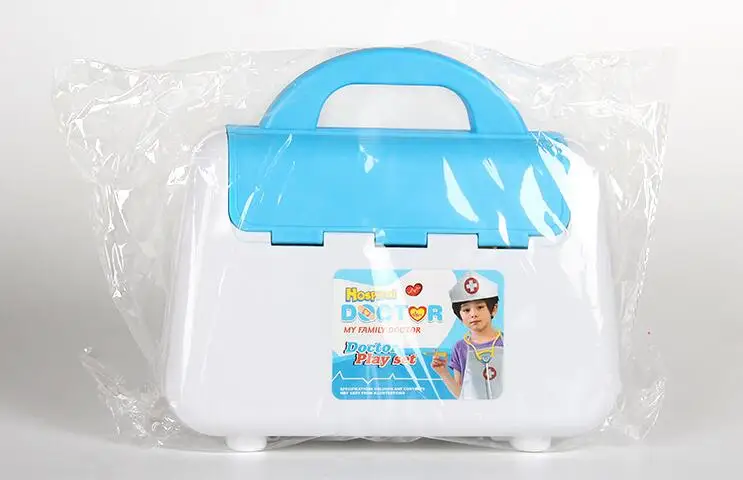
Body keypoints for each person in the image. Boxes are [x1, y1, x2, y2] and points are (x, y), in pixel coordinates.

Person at [431, 271, 503, 399]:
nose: (473, 314)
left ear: (494, 309)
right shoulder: (460, 348)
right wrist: (443, 372)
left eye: (480, 307)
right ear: (459, 316)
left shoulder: (507, 342)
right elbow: (461, 394)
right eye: (466, 310)